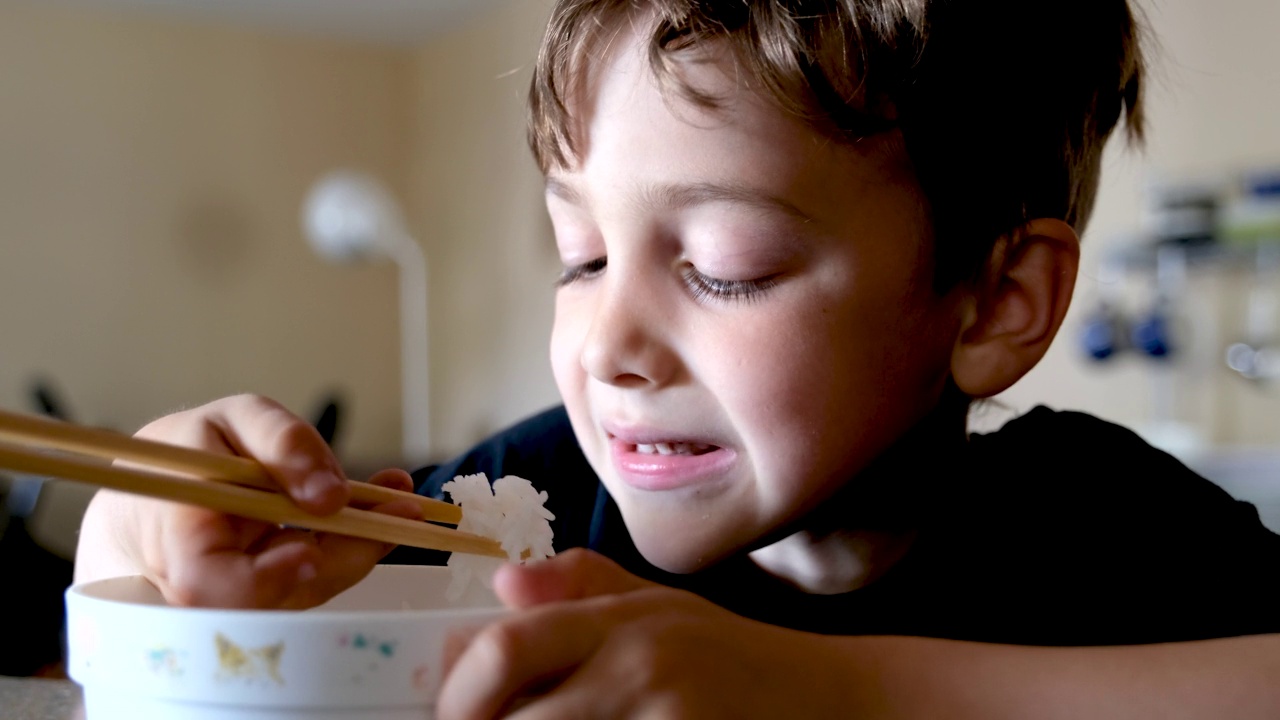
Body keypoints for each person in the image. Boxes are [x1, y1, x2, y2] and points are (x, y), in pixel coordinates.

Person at [76, 0, 1280, 717]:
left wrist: (837, 693)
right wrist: (143, 530)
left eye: (721, 265)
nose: (605, 343)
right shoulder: (526, 512)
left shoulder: (1098, 523)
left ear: (992, 302)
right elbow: (193, 612)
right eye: (581, 253)